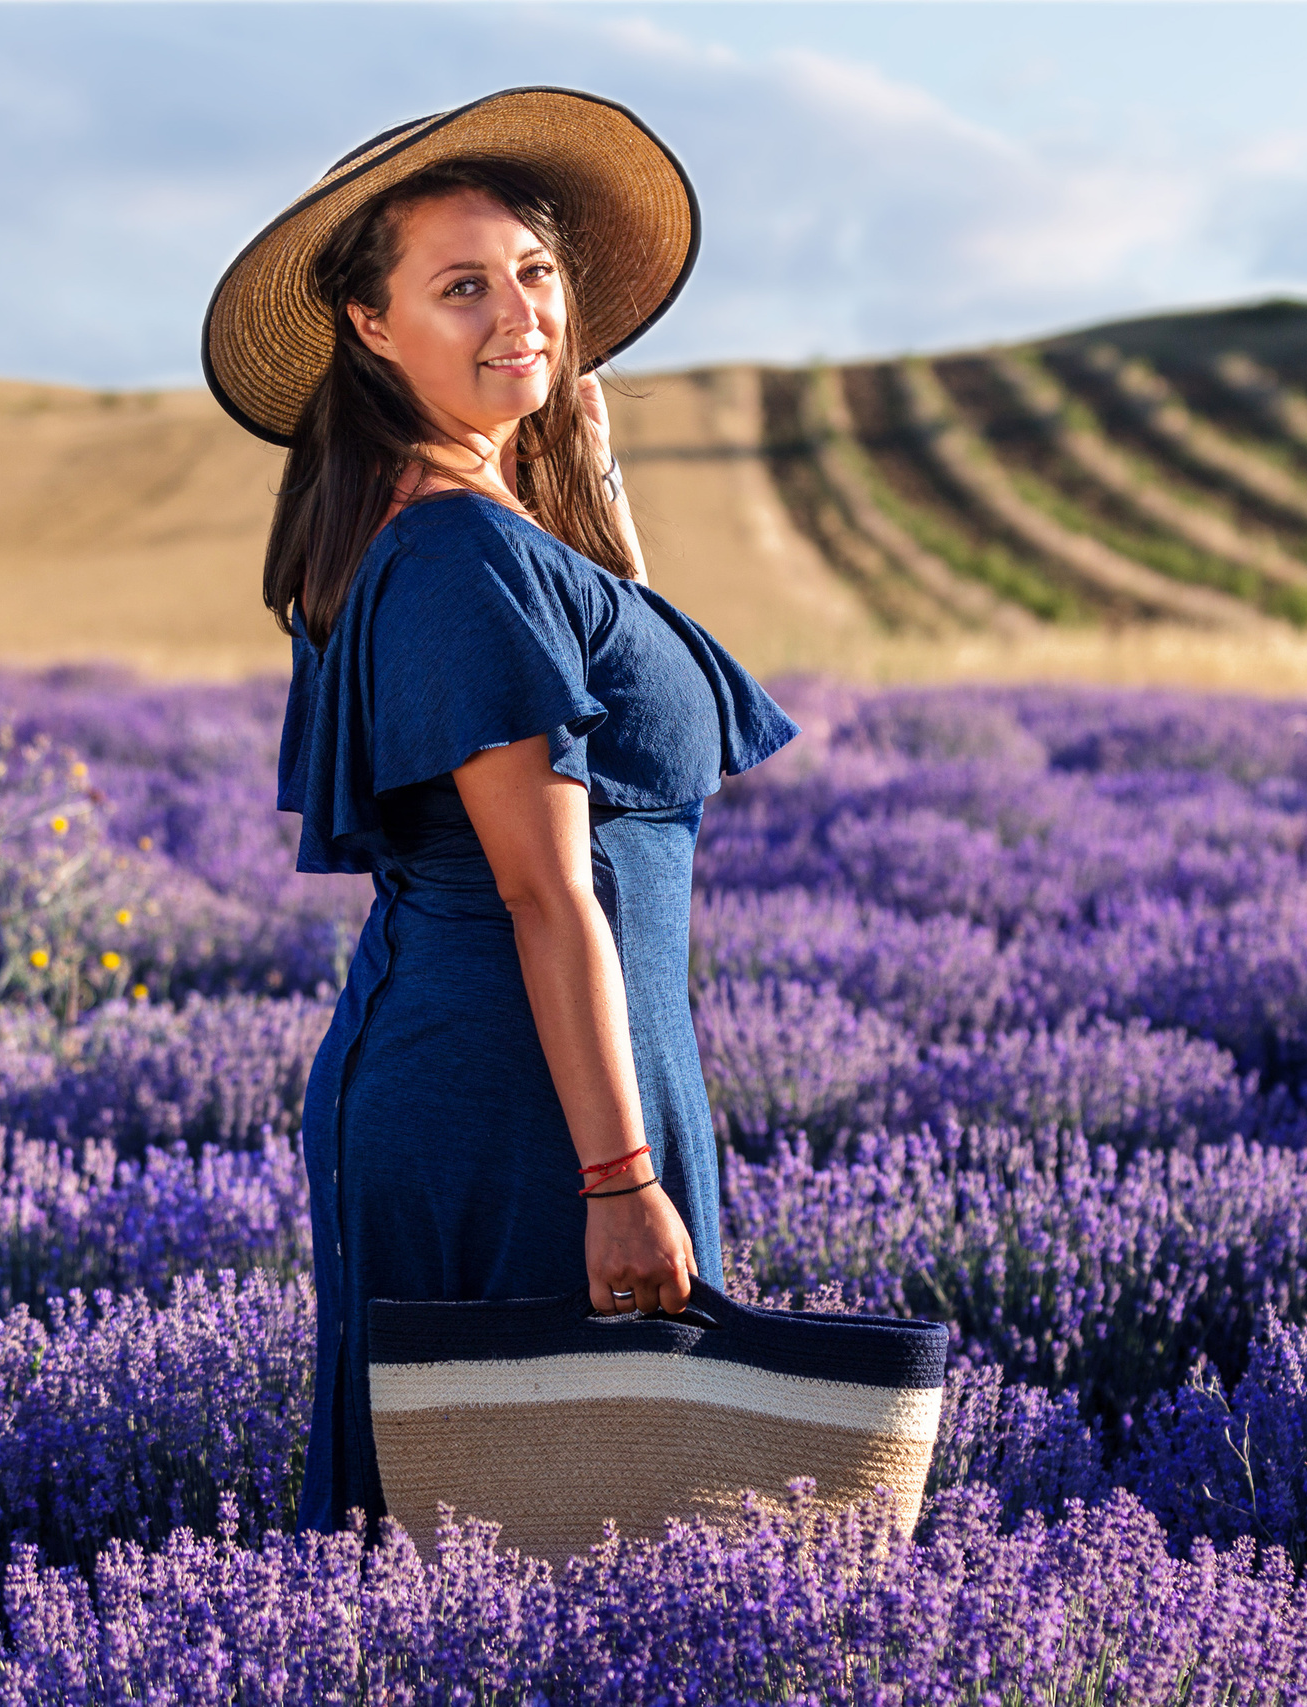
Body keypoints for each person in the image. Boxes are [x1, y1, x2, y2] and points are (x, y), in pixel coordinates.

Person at [201, 88, 799, 1532]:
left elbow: (619, 663)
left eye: (534, 272)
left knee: (586, 1544)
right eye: (461, 286)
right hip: (517, 1098)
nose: (518, 310)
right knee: (525, 1546)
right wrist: (617, 1177)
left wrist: (585, 480)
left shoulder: (483, 523)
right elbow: (548, 888)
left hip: (582, 1065)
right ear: (372, 325)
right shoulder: (460, 551)